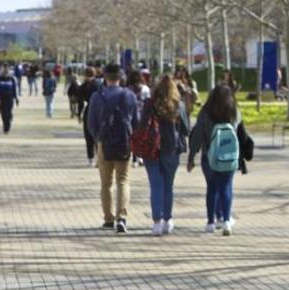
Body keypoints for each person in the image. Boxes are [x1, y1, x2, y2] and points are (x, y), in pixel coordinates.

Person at [87, 63, 139, 233]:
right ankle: (122, 217)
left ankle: (108, 218)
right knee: (123, 181)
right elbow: (136, 120)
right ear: (120, 77)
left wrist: (98, 139)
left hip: (104, 143)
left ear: (105, 77)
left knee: (106, 184)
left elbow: (91, 123)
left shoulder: (96, 97)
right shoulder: (129, 95)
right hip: (124, 142)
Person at [187, 84, 241, 235]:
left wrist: (192, 156)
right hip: (229, 156)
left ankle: (211, 222)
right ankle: (226, 221)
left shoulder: (205, 112)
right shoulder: (234, 111)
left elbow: (197, 135)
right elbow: (239, 132)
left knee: (212, 188)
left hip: (209, 156)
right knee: (226, 186)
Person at [140, 75, 190, 236]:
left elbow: (141, 125)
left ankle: (156, 222)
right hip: (171, 149)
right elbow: (186, 129)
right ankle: (167, 220)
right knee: (168, 186)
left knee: (155, 186)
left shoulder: (149, 104)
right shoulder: (179, 105)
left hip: (151, 149)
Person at [78, 66, 101, 165]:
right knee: (99, 136)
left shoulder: (83, 86)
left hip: (89, 110)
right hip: (100, 111)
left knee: (88, 135)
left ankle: (90, 158)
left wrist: (79, 114)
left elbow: (80, 102)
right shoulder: (100, 84)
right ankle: (99, 157)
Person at [0, 65, 19, 134]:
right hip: (2, 98)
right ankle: (6, 122)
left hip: (10, 98)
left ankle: (6, 128)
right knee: (2, 112)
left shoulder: (12, 79)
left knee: (8, 113)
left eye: (7, 70)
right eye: (4, 70)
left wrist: (17, 98)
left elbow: (15, 89)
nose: (5, 71)